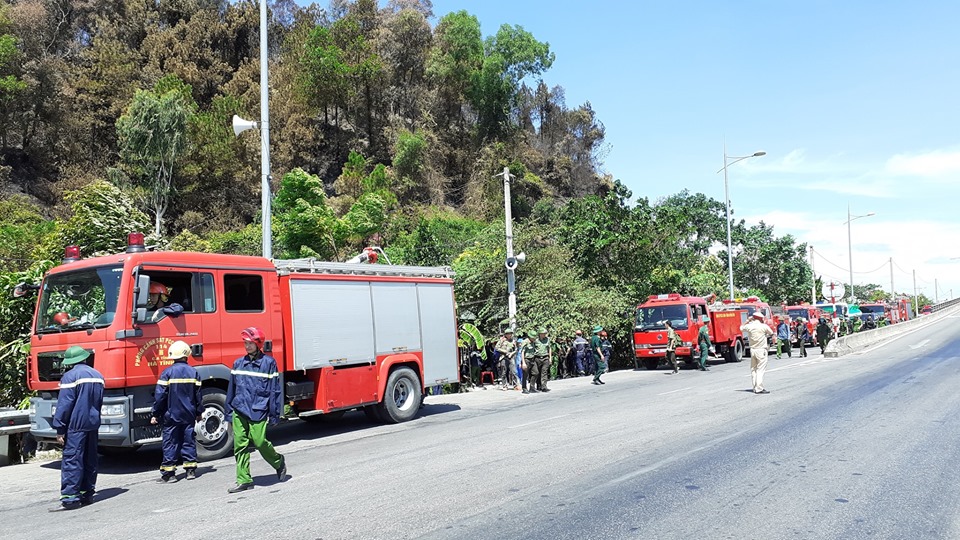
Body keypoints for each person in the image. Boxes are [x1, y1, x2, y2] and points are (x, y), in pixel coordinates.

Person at [225, 327, 287, 493]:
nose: (247, 346)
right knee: (240, 445)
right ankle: (244, 479)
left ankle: (278, 462)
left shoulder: (268, 363)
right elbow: (232, 388)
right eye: (245, 343)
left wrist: (275, 414)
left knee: (259, 441)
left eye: (250, 343)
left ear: (258, 344)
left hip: (258, 410)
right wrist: (228, 412)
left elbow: (275, 391)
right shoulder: (238, 363)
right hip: (239, 409)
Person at [50, 346, 104, 511]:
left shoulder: (70, 376)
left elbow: (65, 405)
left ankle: (70, 498)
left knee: (72, 459)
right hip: (92, 423)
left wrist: (60, 428)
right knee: (89, 459)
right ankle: (87, 493)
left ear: (70, 362)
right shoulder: (98, 375)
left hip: (76, 425)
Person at [150, 340, 202, 483]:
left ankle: (169, 474)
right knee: (188, 440)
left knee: (170, 442)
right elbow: (198, 396)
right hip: (189, 414)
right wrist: (199, 412)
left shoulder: (167, 373)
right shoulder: (194, 372)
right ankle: (190, 470)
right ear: (186, 355)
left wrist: (155, 413)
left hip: (171, 415)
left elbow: (160, 396)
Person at [741, 312, 774, 394]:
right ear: (760, 318)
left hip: (753, 350)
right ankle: (759, 388)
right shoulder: (763, 326)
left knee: (753, 369)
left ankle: (755, 387)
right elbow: (771, 333)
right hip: (761, 350)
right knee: (760, 369)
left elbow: (741, 328)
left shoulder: (749, 326)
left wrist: (747, 321)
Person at [528, 328, 552, 393]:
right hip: (537, 358)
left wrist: (550, 358)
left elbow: (549, 348)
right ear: (539, 334)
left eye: (545, 334)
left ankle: (544, 386)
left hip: (545, 357)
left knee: (544, 372)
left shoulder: (547, 340)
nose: (544, 335)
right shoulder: (536, 340)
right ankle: (538, 386)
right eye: (543, 334)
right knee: (537, 372)